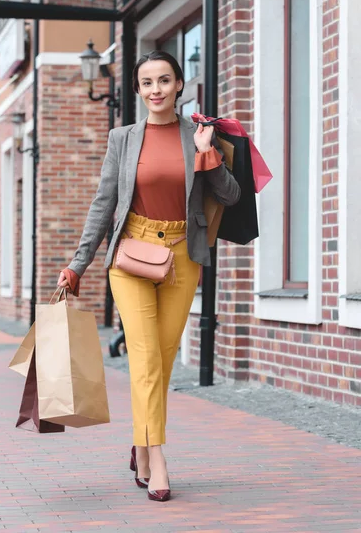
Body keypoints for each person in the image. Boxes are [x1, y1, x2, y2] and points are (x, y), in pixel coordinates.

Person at [57, 50, 241, 501]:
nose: (156, 89)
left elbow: (232, 198)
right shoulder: (122, 138)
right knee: (144, 358)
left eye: (164, 80)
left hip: (183, 255)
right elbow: (104, 205)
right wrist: (77, 264)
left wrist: (208, 156)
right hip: (131, 256)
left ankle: (140, 441)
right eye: (147, 83)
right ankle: (155, 457)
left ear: (179, 85)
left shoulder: (199, 136)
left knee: (160, 357)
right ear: (138, 90)